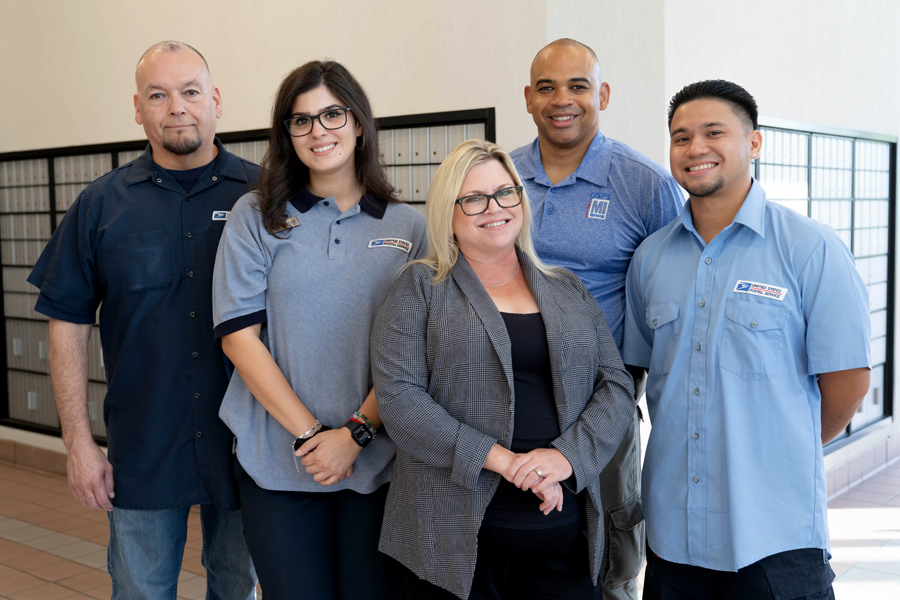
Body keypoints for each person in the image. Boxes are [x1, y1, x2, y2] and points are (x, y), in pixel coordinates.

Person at [26, 42, 258, 599]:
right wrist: (78, 443)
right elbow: (66, 323)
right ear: (138, 108)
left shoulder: (262, 195)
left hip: (249, 448)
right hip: (144, 452)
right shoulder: (101, 205)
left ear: (216, 100)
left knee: (239, 589)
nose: (176, 107)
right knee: (140, 591)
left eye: (190, 91)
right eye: (158, 94)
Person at [623, 80, 871, 599]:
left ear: (753, 142)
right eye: (681, 137)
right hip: (674, 539)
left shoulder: (809, 248)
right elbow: (641, 367)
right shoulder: (650, 258)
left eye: (714, 132)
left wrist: (779, 444)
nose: (696, 149)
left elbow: (848, 380)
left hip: (775, 534)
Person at [372, 139, 637, 600]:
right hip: (451, 547)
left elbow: (614, 384)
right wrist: (505, 463)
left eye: (504, 192)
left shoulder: (566, 287)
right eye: (473, 197)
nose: (492, 207)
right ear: (448, 210)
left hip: (564, 544)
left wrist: (565, 458)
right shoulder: (419, 287)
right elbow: (399, 400)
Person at [212, 60, 426, 600]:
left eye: (332, 114)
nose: (318, 131)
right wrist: (312, 437)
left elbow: (415, 352)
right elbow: (240, 339)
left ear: (358, 124)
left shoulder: (407, 226)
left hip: (376, 463)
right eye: (300, 120)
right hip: (277, 462)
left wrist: (355, 433)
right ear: (286, 134)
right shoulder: (256, 215)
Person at [509, 37, 685, 599]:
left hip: (603, 402)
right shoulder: (500, 178)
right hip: (506, 402)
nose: (563, 99)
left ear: (602, 94)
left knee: (610, 554)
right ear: (529, 100)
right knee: (519, 545)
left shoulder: (644, 184)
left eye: (578, 85)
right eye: (547, 87)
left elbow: (674, 292)